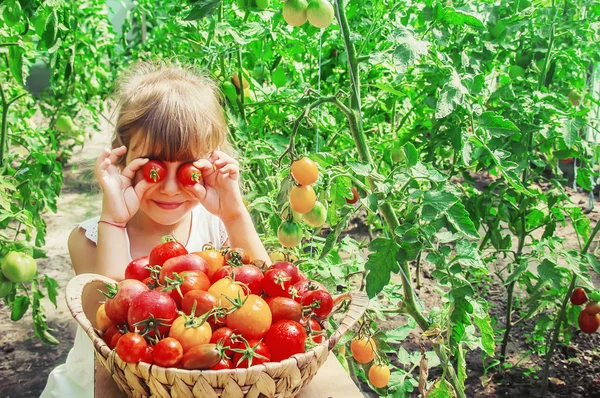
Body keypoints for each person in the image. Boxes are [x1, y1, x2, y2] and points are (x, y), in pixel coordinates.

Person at [41, 61, 269, 397]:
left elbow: (266, 293)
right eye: (154, 170)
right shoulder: (88, 239)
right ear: (123, 158)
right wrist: (115, 222)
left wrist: (234, 214)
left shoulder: (219, 230)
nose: (172, 189)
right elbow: (113, 324)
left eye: (189, 169)